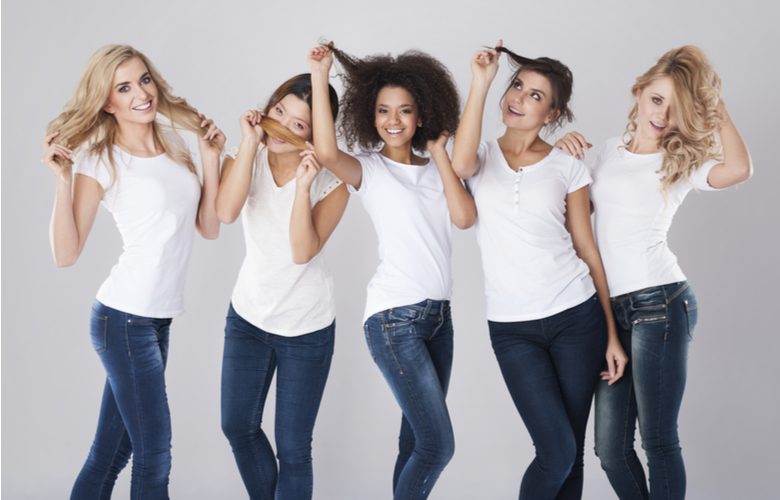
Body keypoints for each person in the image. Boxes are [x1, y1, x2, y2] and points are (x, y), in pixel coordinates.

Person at [556, 45, 753, 500]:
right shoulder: (604, 152)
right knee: (609, 447)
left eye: (676, 106)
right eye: (658, 99)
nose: (663, 115)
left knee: (659, 440)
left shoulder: (680, 162)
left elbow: (740, 168)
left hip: (661, 304)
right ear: (639, 93)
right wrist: (563, 152)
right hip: (610, 312)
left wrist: (716, 107)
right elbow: (572, 217)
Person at [42, 44, 224, 500]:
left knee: (111, 454)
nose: (141, 93)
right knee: (154, 454)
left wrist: (211, 157)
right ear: (107, 102)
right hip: (122, 319)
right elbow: (66, 254)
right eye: (124, 87)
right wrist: (62, 181)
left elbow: (208, 227)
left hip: (156, 319)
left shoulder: (172, 143)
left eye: (143, 79)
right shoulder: (100, 159)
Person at [450, 41, 626, 500]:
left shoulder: (568, 165)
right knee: (555, 449)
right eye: (517, 86)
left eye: (535, 96)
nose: (519, 98)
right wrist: (482, 81)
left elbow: (587, 249)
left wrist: (610, 333)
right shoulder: (481, 155)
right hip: (512, 330)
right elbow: (460, 163)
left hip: (576, 316)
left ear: (552, 113)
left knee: (570, 452)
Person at [307, 42, 475, 500]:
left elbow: (464, 218)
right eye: (383, 111)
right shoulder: (368, 169)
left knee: (417, 442)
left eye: (405, 110)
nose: (393, 120)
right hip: (393, 321)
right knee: (439, 446)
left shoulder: (441, 169)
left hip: (440, 320)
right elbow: (325, 150)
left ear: (422, 115)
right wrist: (320, 76)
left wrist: (440, 155)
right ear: (371, 116)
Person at [216, 74, 348, 500]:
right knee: (237, 425)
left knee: (293, 449)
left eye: (300, 125)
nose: (284, 127)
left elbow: (301, 251)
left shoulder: (333, 184)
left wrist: (303, 187)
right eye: (279, 112)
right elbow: (226, 211)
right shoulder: (247, 155)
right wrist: (249, 142)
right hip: (249, 317)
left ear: (315, 135)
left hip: (306, 328)